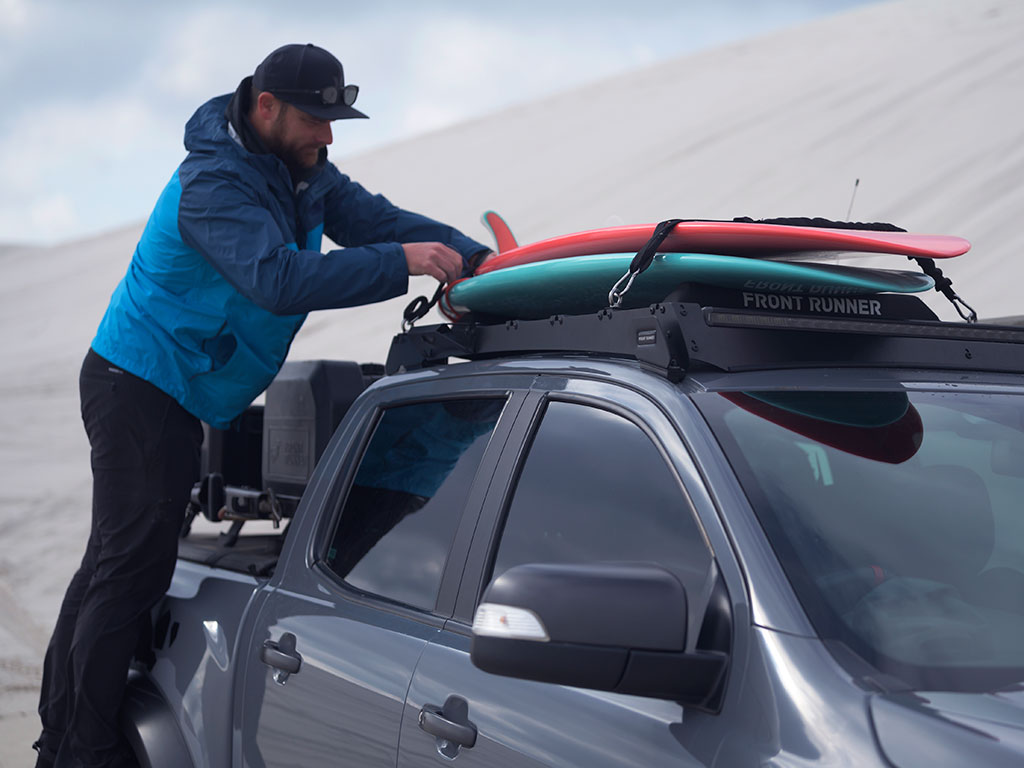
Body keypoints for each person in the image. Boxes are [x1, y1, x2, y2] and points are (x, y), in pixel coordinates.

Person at [34, 43, 491, 768]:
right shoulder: (213, 183)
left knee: (111, 562)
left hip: (176, 387)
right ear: (267, 107)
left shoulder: (298, 170)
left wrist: (475, 260)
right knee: (131, 567)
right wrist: (404, 263)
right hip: (141, 382)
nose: (329, 136)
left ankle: (60, 734)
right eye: (318, 119)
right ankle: (83, 750)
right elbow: (275, 280)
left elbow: (377, 218)